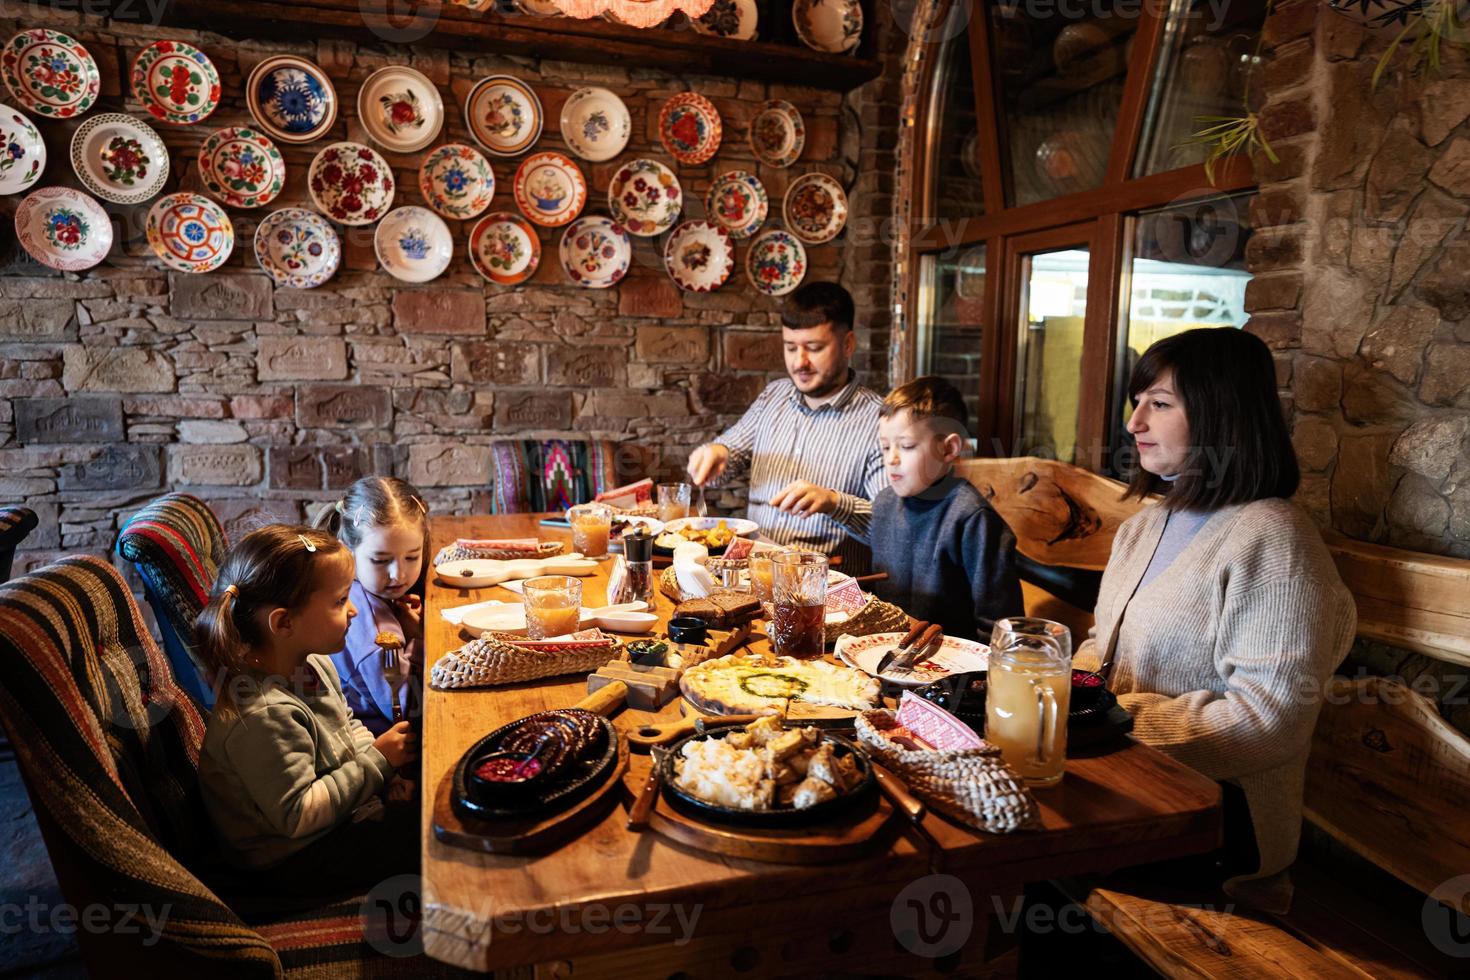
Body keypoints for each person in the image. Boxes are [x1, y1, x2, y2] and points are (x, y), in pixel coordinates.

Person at [1078, 327, 1356, 912]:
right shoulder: (1144, 527)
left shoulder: (1272, 538)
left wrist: (1105, 719)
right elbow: (1101, 647)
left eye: (1159, 403)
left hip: (1216, 828)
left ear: (1221, 414)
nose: (1134, 423)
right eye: (1137, 402)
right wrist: (1058, 690)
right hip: (1125, 783)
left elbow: (1268, 721)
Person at [195, 525, 419, 893]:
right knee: (432, 833)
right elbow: (298, 814)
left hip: (333, 825)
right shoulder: (263, 714)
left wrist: (386, 776)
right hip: (288, 864)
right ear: (284, 622)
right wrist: (378, 763)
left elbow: (347, 726)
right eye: (338, 601)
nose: (353, 611)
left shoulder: (313, 664)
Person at [686, 282, 885, 573]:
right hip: (751, 572)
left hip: (825, 589)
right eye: (790, 348)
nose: (799, 362)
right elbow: (731, 452)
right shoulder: (774, 396)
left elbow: (891, 529)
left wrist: (833, 502)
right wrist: (716, 453)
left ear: (848, 345)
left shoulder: (879, 420)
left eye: (814, 348)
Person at [813, 375, 1023, 640]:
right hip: (884, 653)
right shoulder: (885, 503)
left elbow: (1000, 629)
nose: (892, 459)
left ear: (948, 449)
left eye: (907, 446)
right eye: (885, 447)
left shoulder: (972, 519)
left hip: (952, 668)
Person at [315, 476, 429, 737]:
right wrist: (421, 642)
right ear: (348, 551)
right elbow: (410, 709)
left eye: (412, 557)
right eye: (380, 560)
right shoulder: (372, 631)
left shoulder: (362, 592)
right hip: (378, 744)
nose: (398, 574)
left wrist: (409, 631)